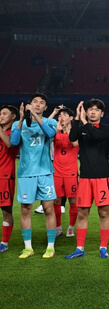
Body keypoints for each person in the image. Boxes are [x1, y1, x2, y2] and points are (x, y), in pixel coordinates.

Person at [10, 93, 58, 258]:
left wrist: (37, 117)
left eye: (41, 103)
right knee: (25, 209)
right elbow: (14, 142)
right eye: (34, 102)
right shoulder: (19, 123)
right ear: (28, 104)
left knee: (48, 208)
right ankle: (28, 248)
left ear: (45, 108)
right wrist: (22, 119)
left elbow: (50, 134)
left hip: (45, 172)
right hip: (26, 174)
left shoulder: (50, 122)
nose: (37, 104)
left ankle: (50, 247)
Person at [65, 99, 109, 259]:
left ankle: (103, 247)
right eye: (90, 109)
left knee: (103, 213)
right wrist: (78, 118)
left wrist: (84, 121)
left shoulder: (106, 129)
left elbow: (96, 135)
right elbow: (72, 138)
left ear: (102, 113)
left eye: (96, 110)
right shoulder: (82, 127)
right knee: (82, 213)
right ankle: (80, 248)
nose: (93, 112)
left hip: (102, 177)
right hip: (85, 177)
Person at [49, 106, 79, 237]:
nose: (61, 117)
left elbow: (75, 144)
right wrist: (56, 128)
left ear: (71, 118)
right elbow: (46, 135)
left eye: (65, 115)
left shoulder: (75, 132)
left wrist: (67, 130)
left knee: (73, 201)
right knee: (56, 201)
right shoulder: (55, 132)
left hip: (71, 173)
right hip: (56, 172)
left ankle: (71, 227)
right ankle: (58, 227)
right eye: (60, 115)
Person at [0, 105, 19, 253]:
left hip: (5, 176)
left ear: (13, 117)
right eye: (0, 113)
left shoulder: (14, 132)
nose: (1, 116)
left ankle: (4, 243)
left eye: (4, 113)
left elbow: (9, 143)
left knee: (6, 211)